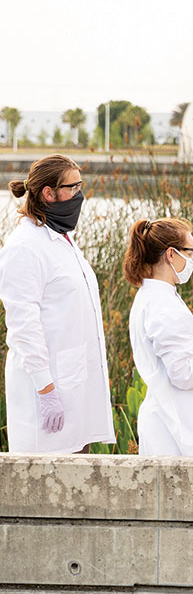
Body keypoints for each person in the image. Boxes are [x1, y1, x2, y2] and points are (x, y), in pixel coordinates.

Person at [0, 155, 115, 454]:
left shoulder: (61, 238)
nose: (80, 195)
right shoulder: (25, 246)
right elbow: (23, 325)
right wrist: (46, 389)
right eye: (73, 187)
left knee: (79, 468)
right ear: (49, 193)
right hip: (48, 392)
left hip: (74, 388)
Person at [124, 217, 193, 457]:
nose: (192, 260)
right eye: (190, 251)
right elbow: (181, 373)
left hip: (169, 423)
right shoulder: (164, 305)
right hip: (176, 435)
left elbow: (173, 358)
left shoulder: (152, 296)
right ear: (171, 254)